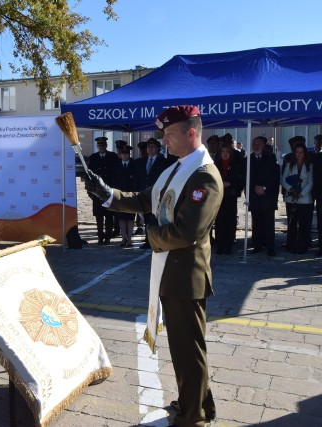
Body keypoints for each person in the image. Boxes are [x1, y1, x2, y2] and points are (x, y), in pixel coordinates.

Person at [85, 105, 220, 427]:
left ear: (191, 132)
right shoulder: (176, 169)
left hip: (186, 277)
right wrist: (107, 194)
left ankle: (194, 417)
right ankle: (198, 403)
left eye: (170, 134)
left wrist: (150, 234)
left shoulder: (204, 176)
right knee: (185, 349)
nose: (165, 141)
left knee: (189, 350)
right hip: (171, 272)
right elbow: (147, 199)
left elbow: (188, 231)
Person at [245, 136, 280, 256]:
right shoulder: (248, 159)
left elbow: (275, 177)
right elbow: (246, 177)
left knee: (269, 224)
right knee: (257, 223)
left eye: (258, 144)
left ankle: (270, 247)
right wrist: (254, 187)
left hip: (268, 196)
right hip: (254, 196)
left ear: (263, 146)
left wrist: (264, 187)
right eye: (254, 144)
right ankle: (257, 245)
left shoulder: (271, 158)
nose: (256, 146)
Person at [134, 137, 170, 249]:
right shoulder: (141, 161)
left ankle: (156, 240)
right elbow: (138, 178)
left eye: (153, 146)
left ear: (158, 148)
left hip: (157, 194)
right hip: (144, 194)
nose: (150, 149)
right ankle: (148, 240)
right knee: (146, 219)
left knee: (156, 219)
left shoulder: (163, 162)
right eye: (148, 147)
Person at [281, 143, 313, 254]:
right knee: (292, 223)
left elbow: (311, 182)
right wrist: (291, 189)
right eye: (297, 152)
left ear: (305, 153)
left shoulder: (309, 165)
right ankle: (291, 245)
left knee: (304, 224)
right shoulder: (289, 164)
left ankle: (303, 246)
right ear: (294, 153)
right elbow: (283, 180)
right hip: (291, 198)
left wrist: (301, 193)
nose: (299, 154)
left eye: (301, 152)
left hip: (305, 199)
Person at [87, 136, 118, 244]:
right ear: (97, 146)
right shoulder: (93, 157)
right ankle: (100, 236)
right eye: (99, 145)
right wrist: (90, 190)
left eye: (103, 145)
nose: (101, 147)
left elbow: (115, 173)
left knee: (109, 215)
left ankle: (108, 237)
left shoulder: (113, 156)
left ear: (106, 145)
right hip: (97, 191)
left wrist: (114, 189)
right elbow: (89, 174)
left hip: (108, 190)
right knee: (99, 216)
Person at [214, 143, 243, 254]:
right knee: (220, 221)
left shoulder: (235, 165)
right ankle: (220, 245)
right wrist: (221, 183)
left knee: (230, 221)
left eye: (227, 152)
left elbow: (239, 180)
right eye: (223, 152)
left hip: (231, 196)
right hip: (219, 197)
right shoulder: (216, 165)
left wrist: (230, 183)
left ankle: (229, 245)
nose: (225, 154)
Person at [112, 145, 135, 247]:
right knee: (121, 218)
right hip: (120, 196)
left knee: (130, 218)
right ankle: (123, 238)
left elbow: (136, 180)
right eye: (123, 154)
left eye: (127, 154)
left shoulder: (134, 165)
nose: (125, 156)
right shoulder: (117, 166)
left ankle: (129, 238)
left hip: (131, 196)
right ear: (120, 155)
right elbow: (114, 182)